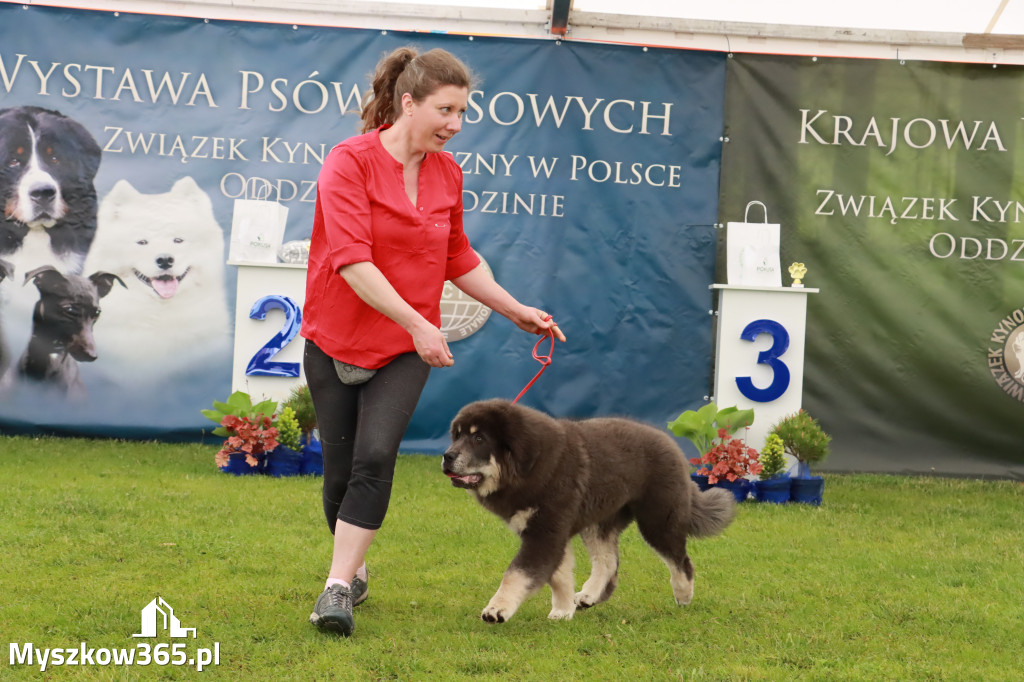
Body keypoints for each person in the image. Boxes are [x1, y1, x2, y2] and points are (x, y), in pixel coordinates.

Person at [301, 46, 565, 637]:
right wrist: (420, 322)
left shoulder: (448, 173)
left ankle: (336, 588)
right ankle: (356, 563)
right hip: (335, 338)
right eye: (446, 110)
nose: (456, 124)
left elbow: (455, 257)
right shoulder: (348, 163)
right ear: (409, 102)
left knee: (374, 457)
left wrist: (515, 309)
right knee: (340, 473)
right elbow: (351, 261)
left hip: (403, 347)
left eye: (463, 112)